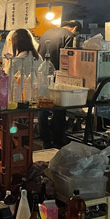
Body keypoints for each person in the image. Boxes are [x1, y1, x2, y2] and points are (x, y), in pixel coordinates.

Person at [38, 20, 82, 148]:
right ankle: (57, 138)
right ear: (74, 28)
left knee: (43, 105)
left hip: (43, 73)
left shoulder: (47, 32)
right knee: (60, 107)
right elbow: (68, 57)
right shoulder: (68, 35)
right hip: (58, 74)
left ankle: (45, 138)